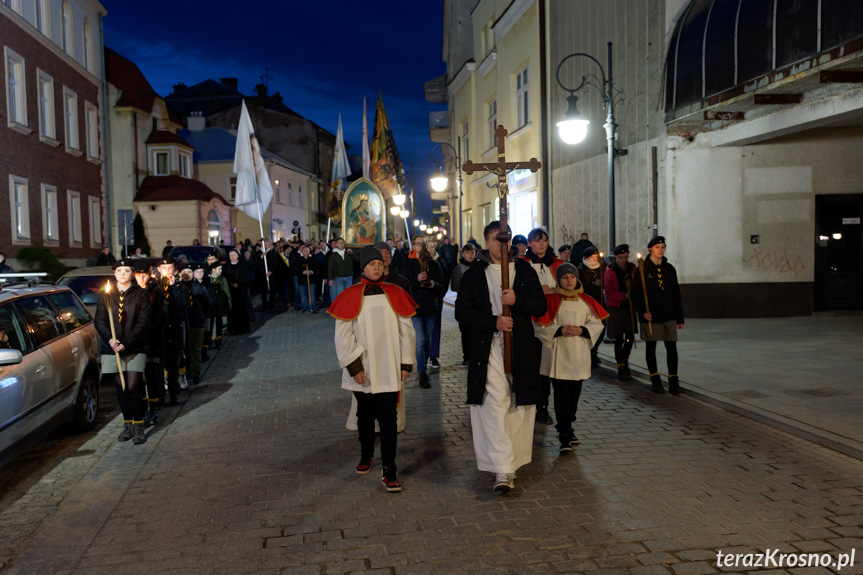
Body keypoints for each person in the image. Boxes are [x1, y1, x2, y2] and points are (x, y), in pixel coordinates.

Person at [454, 221, 546, 493]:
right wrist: (494, 322)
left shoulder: (525, 271)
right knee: (494, 405)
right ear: (487, 241)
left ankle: (512, 464)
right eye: (496, 239)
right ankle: (502, 470)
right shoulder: (473, 275)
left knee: (518, 405)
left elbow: (539, 306)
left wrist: (518, 301)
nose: (501, 245)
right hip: (489, 349)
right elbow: (463, 313)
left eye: (505, 240)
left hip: (520, 349)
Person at [329, 245, 417, 493]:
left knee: (388, 419)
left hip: (389, 366)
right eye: (372, 264)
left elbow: (406, 332)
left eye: (380, 263)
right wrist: (354, 366)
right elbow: (343, 336)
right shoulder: (350, 295)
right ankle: (366, 454)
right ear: (364, 267)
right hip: (363, 369)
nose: (377, 267)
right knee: (365, 417)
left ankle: (390, 468)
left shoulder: (396, 292)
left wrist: (405, 363)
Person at [533, 263, 607, 453]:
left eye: (572, 277)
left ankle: (568, 426)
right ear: (559, 280)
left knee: (574, 396)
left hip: (578, 355)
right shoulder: (550, 300)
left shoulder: (586, 300)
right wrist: (559, 329)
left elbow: (597, 324)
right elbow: (538, 326)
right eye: (565, 277)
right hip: (558, 354)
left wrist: (582, 330)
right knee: (561, 396)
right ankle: (564, 434)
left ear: (577, 279)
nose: (568, 280)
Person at [95, 259, 152, 445]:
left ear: (132, 273)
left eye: (126, 270)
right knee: (121, 388)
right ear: (114, 273)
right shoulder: (106, 295)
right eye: (119, 270)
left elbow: (143, 322)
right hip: (112, 349)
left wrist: (126, 343)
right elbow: (99, 320)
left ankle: (138, 425)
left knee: (133, 386)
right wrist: (110, 340)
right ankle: (127, 424)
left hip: (134, 347)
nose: (122, 274)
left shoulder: (141, 294)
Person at [523, 227, 566, 426]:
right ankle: (530, 405)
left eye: (545, 240)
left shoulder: (557, 264)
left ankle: (543, 407)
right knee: (532, 365)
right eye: (537, 240)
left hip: (553, 321)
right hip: (530, 321)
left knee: (548, 368)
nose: (541, 244)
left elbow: (569, 286)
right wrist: (537, 290)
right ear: (529, 243)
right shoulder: (522, 264)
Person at [631, 236, 685, 395]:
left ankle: (673, 381)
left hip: (668, 313)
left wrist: (680, 317)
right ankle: (655, 380)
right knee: (651, 346)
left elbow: (676, 294)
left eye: (662, 247)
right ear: (650, 249)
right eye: (657, 247)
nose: (660, 250)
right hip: (650, 315)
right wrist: (642, 311)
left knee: (671, 347)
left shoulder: (669, 269)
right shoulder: (642, 268)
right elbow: (636, 294)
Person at [406, 234, 445, 388]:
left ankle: (425, 366)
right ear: (414, 246)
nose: (421, 246)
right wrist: (417, 280)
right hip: (415, 308)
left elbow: (442, 288)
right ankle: (422, 372)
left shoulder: (434, 265)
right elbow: (405, 287)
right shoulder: (408, 265)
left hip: (430, 307)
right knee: (420, 340)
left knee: (427, 340)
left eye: (424, 244)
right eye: (418, 244)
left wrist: (433, 285)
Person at [133, 260, 166, 426]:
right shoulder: (132, 292)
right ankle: (143, 409)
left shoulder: (157, 292)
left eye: (144, 275)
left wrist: (149, 331)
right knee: (139, 378)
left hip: (152, 340)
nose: (141, 278)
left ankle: (155, 409)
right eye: (138, 275)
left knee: (152, 376)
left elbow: (161, 316)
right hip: (136, 342)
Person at [604, 244, 638, 381]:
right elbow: (609, 292)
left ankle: (625, 360)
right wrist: (623, 296)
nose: (624, 260)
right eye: (621, 257)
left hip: (629, 307)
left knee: (630, 337)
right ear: (616, 257)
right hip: (617, 308)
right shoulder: (610, 272)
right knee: (619, 338)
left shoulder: (632, 269)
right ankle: (620, 365)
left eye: (626, 257)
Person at [157, 257, 188, 403]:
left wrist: (174, 287)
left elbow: (182, 305)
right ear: (159, 270)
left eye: (170, 268)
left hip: (174, 329)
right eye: (164, 268)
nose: (167, 271)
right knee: (159, 363)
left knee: (173, 363)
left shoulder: (180, 286)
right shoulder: (155, 286)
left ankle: (174, 392)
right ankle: (160, 394)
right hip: (159, 331)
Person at [181, 265, 211, 385]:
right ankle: (186, 372)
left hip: (197, 322)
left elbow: (207, 304)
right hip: (184, 323)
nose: (187, 274)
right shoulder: (178, 287)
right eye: (184, 272)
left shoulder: (199, 287)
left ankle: (195, 374)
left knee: (195, 349)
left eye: (189, 272)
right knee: (185, 350)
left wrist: (204, 320)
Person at [577, 246, 606, 367]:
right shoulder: (581, 269)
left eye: (596, 257)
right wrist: (593, 283)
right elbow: (579, 285)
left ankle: (595, 350)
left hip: (599, 301)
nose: (595, 259)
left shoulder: (601, 268)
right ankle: (588, 351)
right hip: (587, 302)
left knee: (602, 326)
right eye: (592, 257)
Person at [449, 243, 476, 366]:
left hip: (476, 305)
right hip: (464, 305)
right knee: (465, 333)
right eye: (468, 252)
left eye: (472, 252)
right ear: (463, 254)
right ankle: (467, 356)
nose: (471, 255)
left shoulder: (478, 267)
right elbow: (455, 287)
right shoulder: (458, 269)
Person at [426, 240, 447, 373]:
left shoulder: (439, 263)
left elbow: (444, 282)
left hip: (435, 302)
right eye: (426, 248)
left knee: (435, 330)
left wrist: (438, 290)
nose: (429, 251)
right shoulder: (415, 264)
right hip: (421, 303)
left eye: (431, 248)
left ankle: (433, 356)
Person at [224, 250, 254, 333]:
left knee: (242, 310)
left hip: (241, 291)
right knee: (232, 311)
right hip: (231, 292)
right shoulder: (227, 266)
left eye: (234, 255)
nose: (232, 257)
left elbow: (247, 277)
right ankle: (233, 329)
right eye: (230, 256)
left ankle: (243, 328)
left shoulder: (243, 265)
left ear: (237, 256)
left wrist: (239, 283)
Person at [208, 261, 231, 349]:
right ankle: (209, 339)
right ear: (213, 270)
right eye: (219, 269)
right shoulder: (208, 279)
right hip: (211, 305)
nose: (221, 271)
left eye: (221, 269)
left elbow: (227, 292)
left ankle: (218, 339)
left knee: (219, 321)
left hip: (220, 304)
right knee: (210, 322)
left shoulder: (222, 279)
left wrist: (229, 304)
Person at [327, 238, 355, 302]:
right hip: (338, 278)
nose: (341, 244)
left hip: (348, 277)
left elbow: (357, 260)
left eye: (342, 242)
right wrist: (330, 279)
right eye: (339, 243)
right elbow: (330, 267)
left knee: (348, 295)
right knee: (340, 295)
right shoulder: (333, 255)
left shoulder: (348, 253)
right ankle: (340, 310)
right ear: (336, 244)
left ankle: (346, 309)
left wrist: (352, 253)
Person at [295, 244, 320, 313]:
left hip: (311, 280)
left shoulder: (312, 259)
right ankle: (305, 307)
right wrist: (303, 272)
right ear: (302, 252)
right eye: (305, 251)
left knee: (311, 295)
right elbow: (296, 269)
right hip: (302, 280)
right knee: (303, 295)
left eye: (307, 251)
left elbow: (315, 267)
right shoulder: (298, 259)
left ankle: (312, 307)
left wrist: (311, 271)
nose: (306, 252)